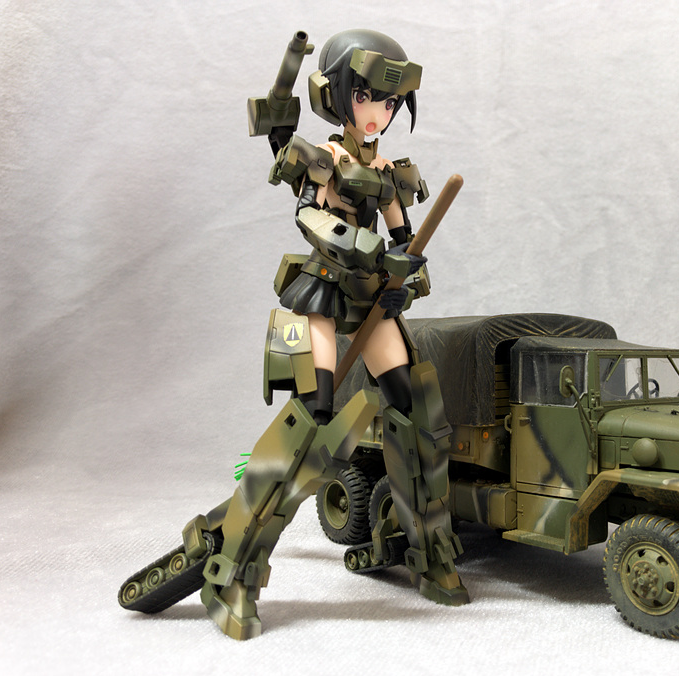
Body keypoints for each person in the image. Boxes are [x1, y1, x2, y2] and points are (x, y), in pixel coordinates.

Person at [118, 29, 467, 641]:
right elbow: (311, 218)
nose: (378, 113)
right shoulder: (324, 159)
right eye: (367, 97)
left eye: (390, 103)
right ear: (338, 96)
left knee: (417, 411)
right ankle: (233, 569)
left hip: (373, 301)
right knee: (315, 421)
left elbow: (405, 239)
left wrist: (408, 275)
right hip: (324, 293)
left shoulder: (390, 171)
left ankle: (428, 549)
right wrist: (368, 250)